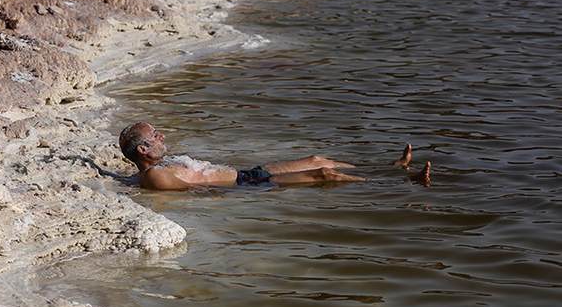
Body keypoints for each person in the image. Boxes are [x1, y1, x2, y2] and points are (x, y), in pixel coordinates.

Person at [118, 122, 430, 191]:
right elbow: (194, 191)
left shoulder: (152, 170)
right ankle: (398, 183)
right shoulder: (154, 175)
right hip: (248, 187)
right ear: (142, 150)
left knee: (318, 159)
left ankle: (392, 167)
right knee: (324, 175)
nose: (162, 137)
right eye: (155, 136)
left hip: (248, 173)